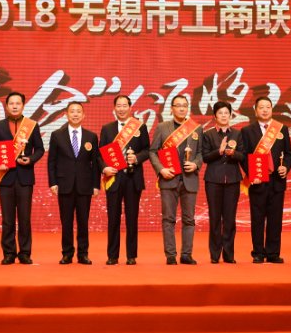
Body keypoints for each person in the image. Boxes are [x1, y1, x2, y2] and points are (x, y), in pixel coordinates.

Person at [0, 92, 44, 265]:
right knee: (7, 219)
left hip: (25, 178)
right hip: (6, 177)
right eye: (11, 103)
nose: (14, 106)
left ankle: (25, 253)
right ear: (6, 106)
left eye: (17, 103)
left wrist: (31, 159)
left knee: (25, 218)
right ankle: (9, 253)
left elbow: (40, 149)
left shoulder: (31, 126)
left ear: (23, 105)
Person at [149, 95, 204, 265]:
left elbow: (200, 153)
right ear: (171, 108)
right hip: (169, 178)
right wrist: (161, 169)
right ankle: (170, 255)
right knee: (168, 219)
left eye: (184, 105)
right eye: (178, 105)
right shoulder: (162, 127)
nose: (181, 108)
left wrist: (196, 164)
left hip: (189, 179)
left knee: (189, 219)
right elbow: (153, 151)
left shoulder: (196, 129)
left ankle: (186, 254)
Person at [240, 96, 291, 264]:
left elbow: (289, 154)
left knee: (275, 219)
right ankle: (258, 253)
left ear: (272, 109)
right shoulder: (247, 131)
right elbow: (243, 157)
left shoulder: (281, 129)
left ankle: (273, 253)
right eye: (261, 107)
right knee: (257, 218)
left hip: (277, 181)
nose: (265, 110)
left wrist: (285, 167)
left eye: (268, 107)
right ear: (255, 110)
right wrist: (252, 174)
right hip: (258, 180)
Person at [99, 95, 150, 266]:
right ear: (114, 108)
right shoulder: (107, 129)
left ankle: (131, 255)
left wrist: (137, 158)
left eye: (124, 106)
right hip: (113, 178)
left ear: (130, 107)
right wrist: (104, 168)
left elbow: (147, 150)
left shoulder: (140, 126)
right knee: (113, 218)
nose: (121, 109)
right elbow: (100, 154)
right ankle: (112, 256)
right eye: (118, 106)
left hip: (133, 178)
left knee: (132, 218)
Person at [48, 101, 100, 265]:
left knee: (83, 222)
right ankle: (67, 253)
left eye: (78, 111)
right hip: (64, 185)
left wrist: (96, 185)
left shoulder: (91, 136)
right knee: (66, 222)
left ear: (83, 115)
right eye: (72, 111)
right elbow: (52, 161)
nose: (75, 114)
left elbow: (95, 163)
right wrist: (53, 182)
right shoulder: (57, 135)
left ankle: (83, 254)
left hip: (85, 186)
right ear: (66, 114)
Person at [202, 101, 245, 264]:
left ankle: (229, 254)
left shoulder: (237, 134)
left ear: (230, 115)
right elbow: (205, 157)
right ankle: (214, 255)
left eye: (226, 113)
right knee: (214, 218)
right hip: (213, 180)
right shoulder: (208, 134)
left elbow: (243, 155)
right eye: (220, 113)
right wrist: (218, 152)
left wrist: (234, 154)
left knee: (229, 218)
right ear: (215, 116)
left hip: (233, 180)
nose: (224, 116)